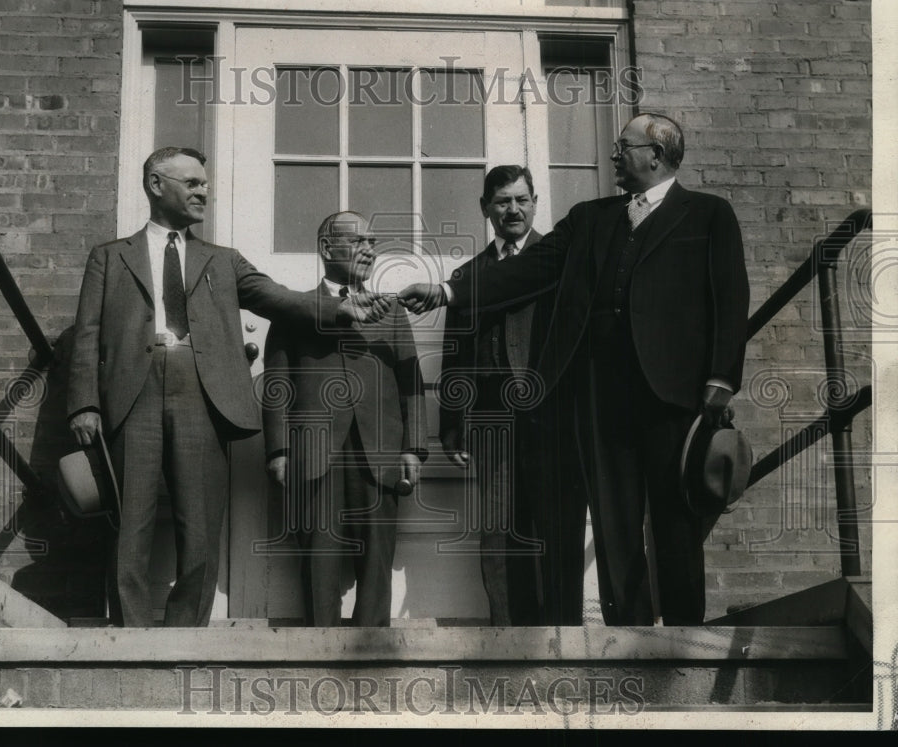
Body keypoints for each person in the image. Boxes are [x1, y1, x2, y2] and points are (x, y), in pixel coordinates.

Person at [400, 114, 749, 626]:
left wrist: (721, 378)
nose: (613, 156)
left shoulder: (708, 215)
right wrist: (448, 291)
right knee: (615, 526)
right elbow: (526, 270)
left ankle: (683, 637)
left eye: (623, 147)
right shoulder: (590, 219)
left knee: (674, 521)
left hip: (673, 398)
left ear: (655, 153)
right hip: (598, 401)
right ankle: (628, 636)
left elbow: (730, 295)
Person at [66, 147, 391, 627]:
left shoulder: (222, 260)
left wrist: (339, 309)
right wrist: (84, 404)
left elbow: (278, 298)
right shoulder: (110, 258)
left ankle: (184, 633)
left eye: (205, 184)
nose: (204, 192)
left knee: (199, 526)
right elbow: (87, 333)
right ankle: (131, 633)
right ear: (157, 185)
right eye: (192, 183)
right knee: (129, 522)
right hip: (131, 394)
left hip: (202, 394)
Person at [262, 211, 427, 627]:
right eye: (358, 242)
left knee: (377, 549)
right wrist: (279, 449)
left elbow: (411, 381)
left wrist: (414, 447)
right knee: (319, 549)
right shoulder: (294, 310)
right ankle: (319, 644)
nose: (369, 250)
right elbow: (276, 383)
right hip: (314, 450)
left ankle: (372, 644)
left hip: (379, 449)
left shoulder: (390, 312)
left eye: (372, 243)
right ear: (326, 248)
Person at [439, 165, 575, 626]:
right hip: (489, 418)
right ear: (485, 208)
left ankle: (556, 634)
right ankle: (505, 636)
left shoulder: (557, 262)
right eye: (502, 201)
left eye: (521, 199)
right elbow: (454, 356)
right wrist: (452, 424)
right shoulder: (467, 276)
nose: (513, 209)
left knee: (549, 523)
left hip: (549, 415)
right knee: (499, 528)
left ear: (535, 202)